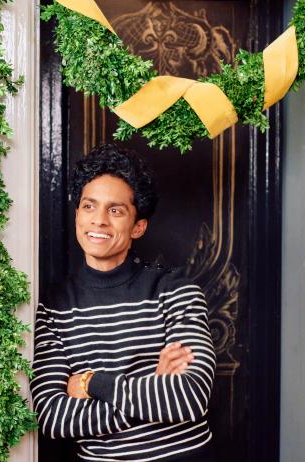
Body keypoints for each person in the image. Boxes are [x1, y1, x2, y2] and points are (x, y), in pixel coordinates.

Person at [31, 144, 216, 461]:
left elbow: (189, 397)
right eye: (89, 207)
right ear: (77, 214)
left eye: (115, 211)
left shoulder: (176, 290)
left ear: (138, 226)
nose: (99, 220)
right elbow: (52, 416)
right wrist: (153, 388)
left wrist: (93, 383)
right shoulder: (55, 306)